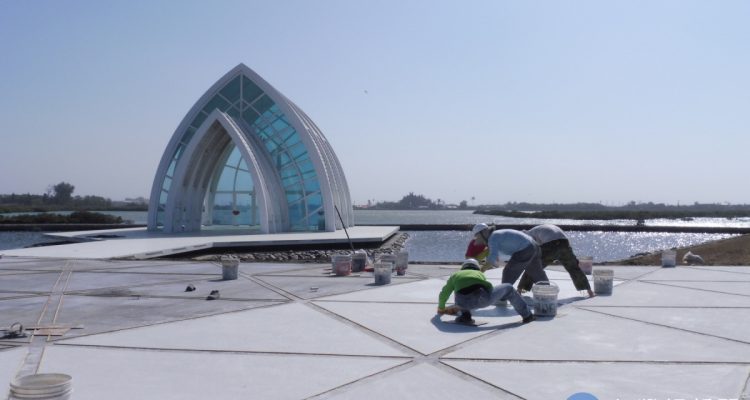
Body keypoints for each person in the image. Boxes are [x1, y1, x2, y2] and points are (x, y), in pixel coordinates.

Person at [437, 259, 535, 324]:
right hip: (481, 300)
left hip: (461, 304)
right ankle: (527, 315)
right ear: (477, 267)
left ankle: (465, 316)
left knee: (460, 291)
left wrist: (441, 308)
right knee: (508, 288)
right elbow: (487, 288)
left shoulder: (455, 275)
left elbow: (444, 293)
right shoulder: (479, 273)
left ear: (463, 268)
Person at [517, 224, 595, 297]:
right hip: (564, 243)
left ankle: (520, 290)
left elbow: (533, 250)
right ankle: (589, 291)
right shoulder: (537, 229)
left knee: (533, 267)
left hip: (551, 244)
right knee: (574, 268)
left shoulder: (528, 235)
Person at [473, 225, 549, 287]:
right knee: (536, 272)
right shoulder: (496, 234)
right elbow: (491, 252)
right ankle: (547, 290)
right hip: (534, 246)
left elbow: (492, 258)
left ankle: (504, 295)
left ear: (483, 232)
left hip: (525, 249)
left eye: (477, 236)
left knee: (508, 272)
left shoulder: (493, 238)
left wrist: (480, 271)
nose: (477, 239)